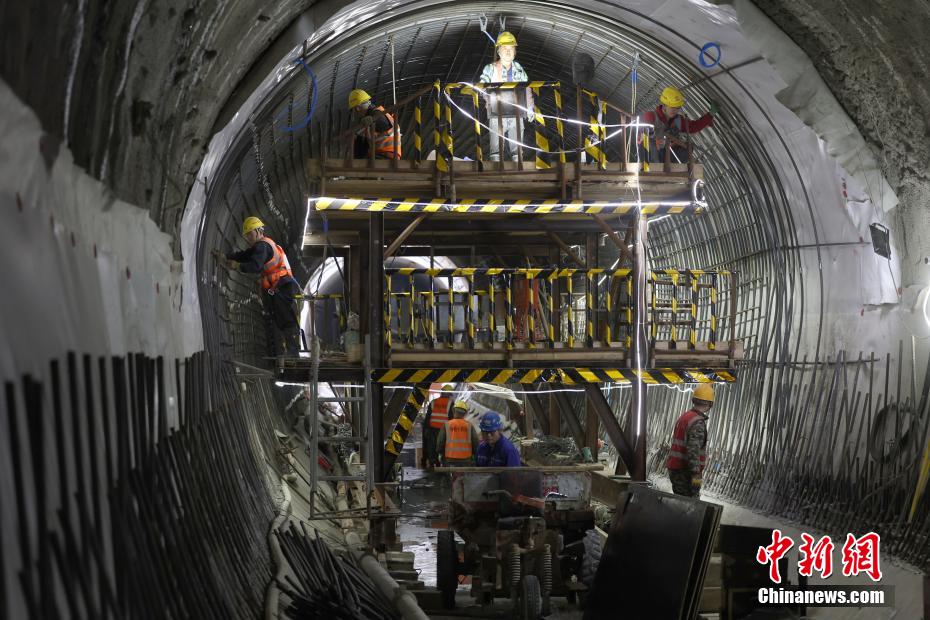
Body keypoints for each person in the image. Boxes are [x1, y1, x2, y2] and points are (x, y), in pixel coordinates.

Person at [213, 217, 301, 356]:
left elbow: (255, 266)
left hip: (281, 285)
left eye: (250, 233)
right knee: (280, 318)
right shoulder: (261, 246)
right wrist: (226, 256)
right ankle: (289, 351)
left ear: (259, 231)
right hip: (279, 286)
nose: (248, 237)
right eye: (246, 234)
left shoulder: (262, 246)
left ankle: (293, 353)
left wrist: (237, 266)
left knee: (285, 318)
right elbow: (245, 255)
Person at [479, 31, 533, 162]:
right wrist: (487, 98)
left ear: (515, 52)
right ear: (499, 51)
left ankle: (518, 168)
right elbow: (481, 86)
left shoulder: (519, 69)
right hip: (496, 111)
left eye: (511, 49)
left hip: (517, 111)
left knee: (517, 145)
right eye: (505, 49)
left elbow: (527, 88)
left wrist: (530, 108)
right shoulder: (490, 69)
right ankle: (496, 170)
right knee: (496, 145)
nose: (508, 52)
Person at [640, 86, 717, 165]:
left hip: (668, 157)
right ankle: (657, 167)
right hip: (650, 157)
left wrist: (710, 115)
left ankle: (672, 170)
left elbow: (694, 126)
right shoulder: (650, 117)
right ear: (664, 105)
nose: (675, 110)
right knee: (650, 142)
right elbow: (642, 137)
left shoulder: (678, 120)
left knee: (688, 147)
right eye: (672, 107)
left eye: (678, 108)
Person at [666, 384, 715, 498]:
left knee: (681, 501)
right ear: (710, 404)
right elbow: (693, 450)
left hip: (677, 469)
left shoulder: (685, 416)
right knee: (690, 505)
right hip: (686, 472)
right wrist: (696, 475)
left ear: (694, 400)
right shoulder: (697, 422)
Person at [348, 89, 401, 160]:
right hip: (381, 156)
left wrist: (373, 120)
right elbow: (361, 149)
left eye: (354, 109)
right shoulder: (369, 119)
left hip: (386, 156)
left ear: (357, 107)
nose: (356, 112)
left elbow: (384, 124)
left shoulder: (378, 114)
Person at [436, 401, 481, 466]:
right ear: (465, 413)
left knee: (448, 475)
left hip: (449, 459)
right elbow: (475, 443)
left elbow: (440, 443)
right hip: (466, 460)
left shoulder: (446, 425)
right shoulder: (469, 426)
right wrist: (473, 455)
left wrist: (440, 453)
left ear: (453, 411)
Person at [422, 384, 454, 468]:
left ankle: (433, 461)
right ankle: (443, 463)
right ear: (449, 394)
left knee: (432, 446)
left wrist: (426, 429)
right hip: (444, 430)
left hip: (433, 429)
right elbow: (451, 418)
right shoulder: (451, 403)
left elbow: (428, 417)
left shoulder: (433, 402)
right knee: (443, 447)